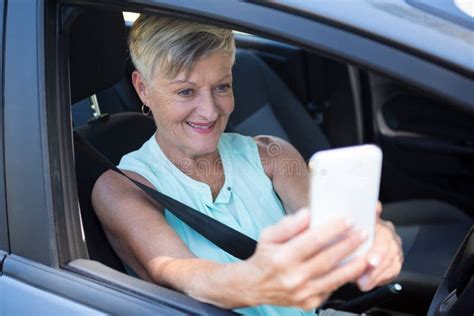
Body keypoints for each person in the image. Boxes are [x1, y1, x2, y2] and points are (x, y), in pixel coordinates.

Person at [91, 14, 403, 315]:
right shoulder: (121, 188)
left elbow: (332, 229)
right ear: (143, 88)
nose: (210, 111)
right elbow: (177, 271)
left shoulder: (272, 155)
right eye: (185, 91)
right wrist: (257, 279)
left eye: (222, 87)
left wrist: (376, 237)